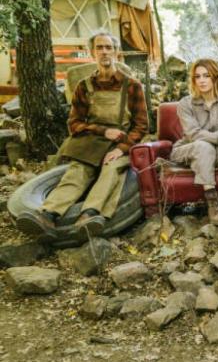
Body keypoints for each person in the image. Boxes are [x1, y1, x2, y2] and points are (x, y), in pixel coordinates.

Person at [16, 31, 148, 242]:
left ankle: (89, 215)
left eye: (108, 47)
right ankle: (47, 216)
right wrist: (102, 131)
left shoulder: (132, 86)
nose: (104, 52)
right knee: (77, 172)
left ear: (116, 52)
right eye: (99, 47)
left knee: (111, 169)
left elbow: (141, 126)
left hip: (121, 143)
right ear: (91, 52)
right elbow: (74, 124)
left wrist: (120, 149)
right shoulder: (83, 87)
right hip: (92, 143)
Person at [169, 59, 218, 226]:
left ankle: (200, 164)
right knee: (203, 146)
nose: (202, 80)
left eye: (206, 75)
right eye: (197, 77)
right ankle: (212, 201)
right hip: (186, 150)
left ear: (215, 78)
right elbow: (193, 134)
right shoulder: (186, 103)